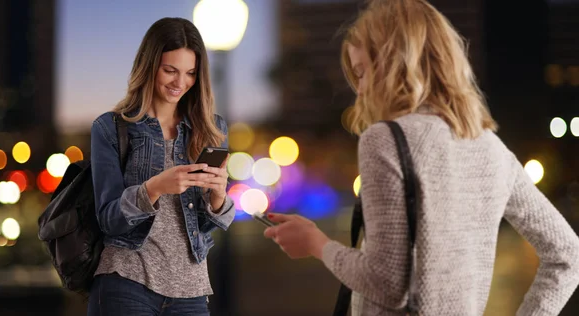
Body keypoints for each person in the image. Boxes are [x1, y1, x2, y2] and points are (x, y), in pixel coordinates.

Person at [263, 0, 579, 315]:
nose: (359, 90)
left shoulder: (384, 139)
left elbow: (387, 284)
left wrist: (316, 244)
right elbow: (567, 254)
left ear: (395, 63)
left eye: (362, 72)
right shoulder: (492, 148)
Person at [87, 17, 235, 316]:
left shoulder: (212, 129)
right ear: (149, 66)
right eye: (170, 70)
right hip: (126, 283)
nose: (180, 83)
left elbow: (206, 226)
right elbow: (108, 219)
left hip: (191, 292)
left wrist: (219, 196)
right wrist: (154, 188)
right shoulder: (111, 127)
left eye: (190, 73)